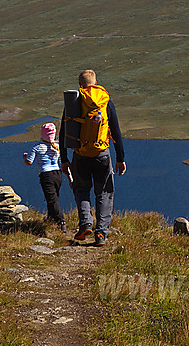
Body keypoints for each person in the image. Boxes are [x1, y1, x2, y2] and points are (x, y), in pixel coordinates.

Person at [67, 69, 126, 247]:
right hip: (102, 154)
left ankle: (85, 224)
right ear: (96, 82)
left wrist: (64, 160)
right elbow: (115, 130)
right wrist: (120, 157)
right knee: (105, 192)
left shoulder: (74, 102)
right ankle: (101, 233)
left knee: (81, 189)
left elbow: (65, 132)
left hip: (80, 154)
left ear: (80, 85)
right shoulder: (104, 100)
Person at [23, 122, 72, 232]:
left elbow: (29, 162)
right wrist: (70, 178)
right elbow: (63, 163)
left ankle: (61, 221)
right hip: (57, 175)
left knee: (52, 199)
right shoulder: (57, 147)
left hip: (46, 176)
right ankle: (50, 218)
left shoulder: (37, 147)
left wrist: (25, 157)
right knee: (53, 198)